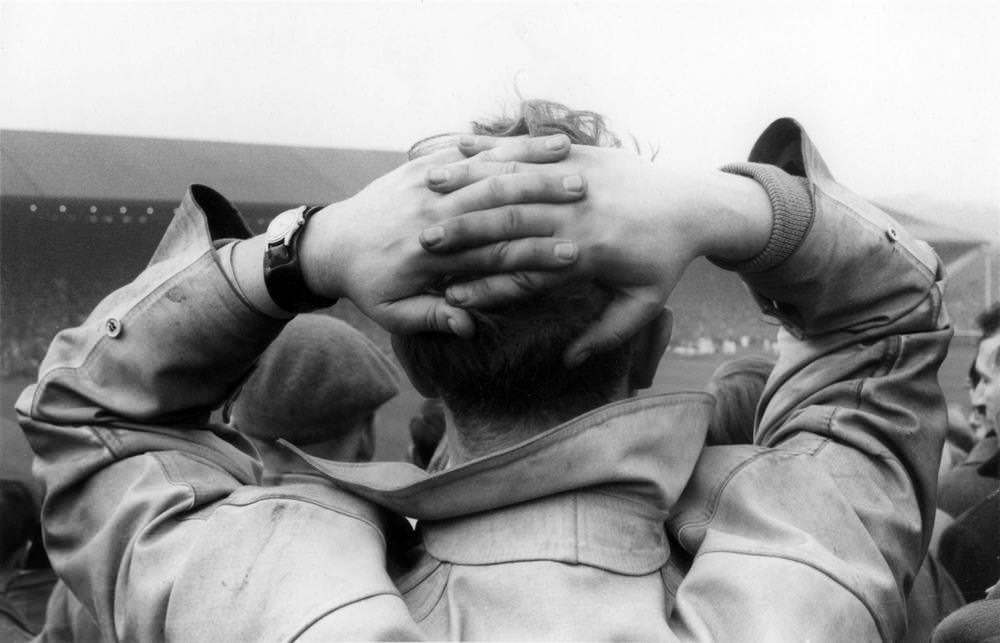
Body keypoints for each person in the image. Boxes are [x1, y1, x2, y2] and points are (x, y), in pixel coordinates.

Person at [17, 102, 949, 640]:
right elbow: (894, 314)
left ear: (415, 359)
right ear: (653, 342)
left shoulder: (265, 583)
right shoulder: (801, 561)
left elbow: (86, 413)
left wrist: (308, 249)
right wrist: (724, 209)